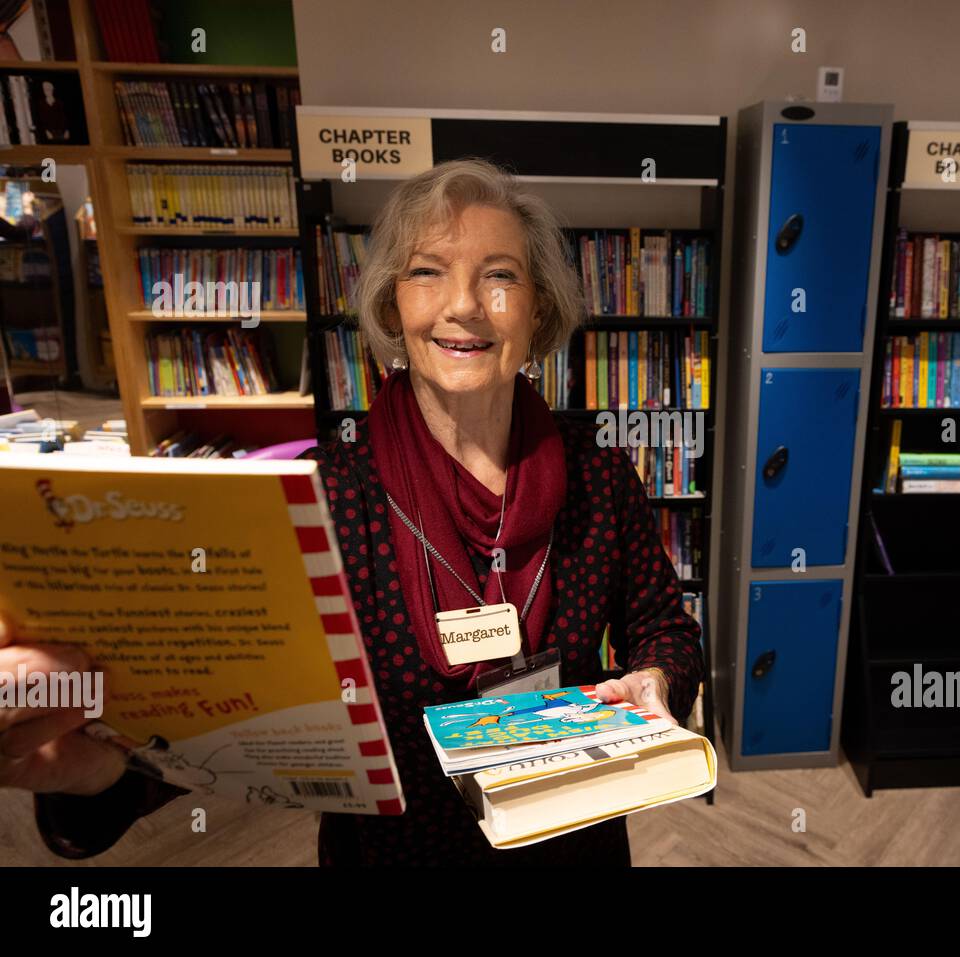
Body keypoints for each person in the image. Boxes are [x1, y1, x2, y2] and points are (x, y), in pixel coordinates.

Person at [0, 158, 705, 866]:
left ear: (540, 309)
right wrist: (109, 775)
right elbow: (239, 704)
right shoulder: (326, 498)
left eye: (500, 275)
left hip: (568, 847)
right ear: (393, 306)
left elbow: (663, 627)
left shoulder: (600, 478)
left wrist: (655, 679)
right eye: (428, 271)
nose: (463, 303)